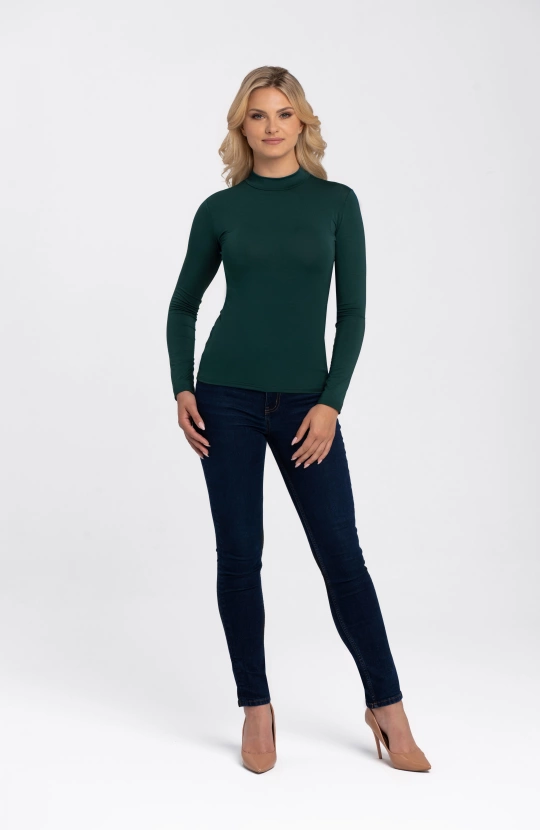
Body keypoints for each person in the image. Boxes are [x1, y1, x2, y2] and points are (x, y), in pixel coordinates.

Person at [166, 65, 431, 774]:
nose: (272, 126)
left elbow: (353, 314)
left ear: (303, 122)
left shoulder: (337, 203)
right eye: (258, 115)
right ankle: (256, 707)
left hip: (305, 406)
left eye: (284, 113)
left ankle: (387, 706)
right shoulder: (219, 211)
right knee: (238, 555)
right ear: (241, 126)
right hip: (223, 398)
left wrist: (329, 402)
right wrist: (182, 386)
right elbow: (183, 306)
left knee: (341, 556)